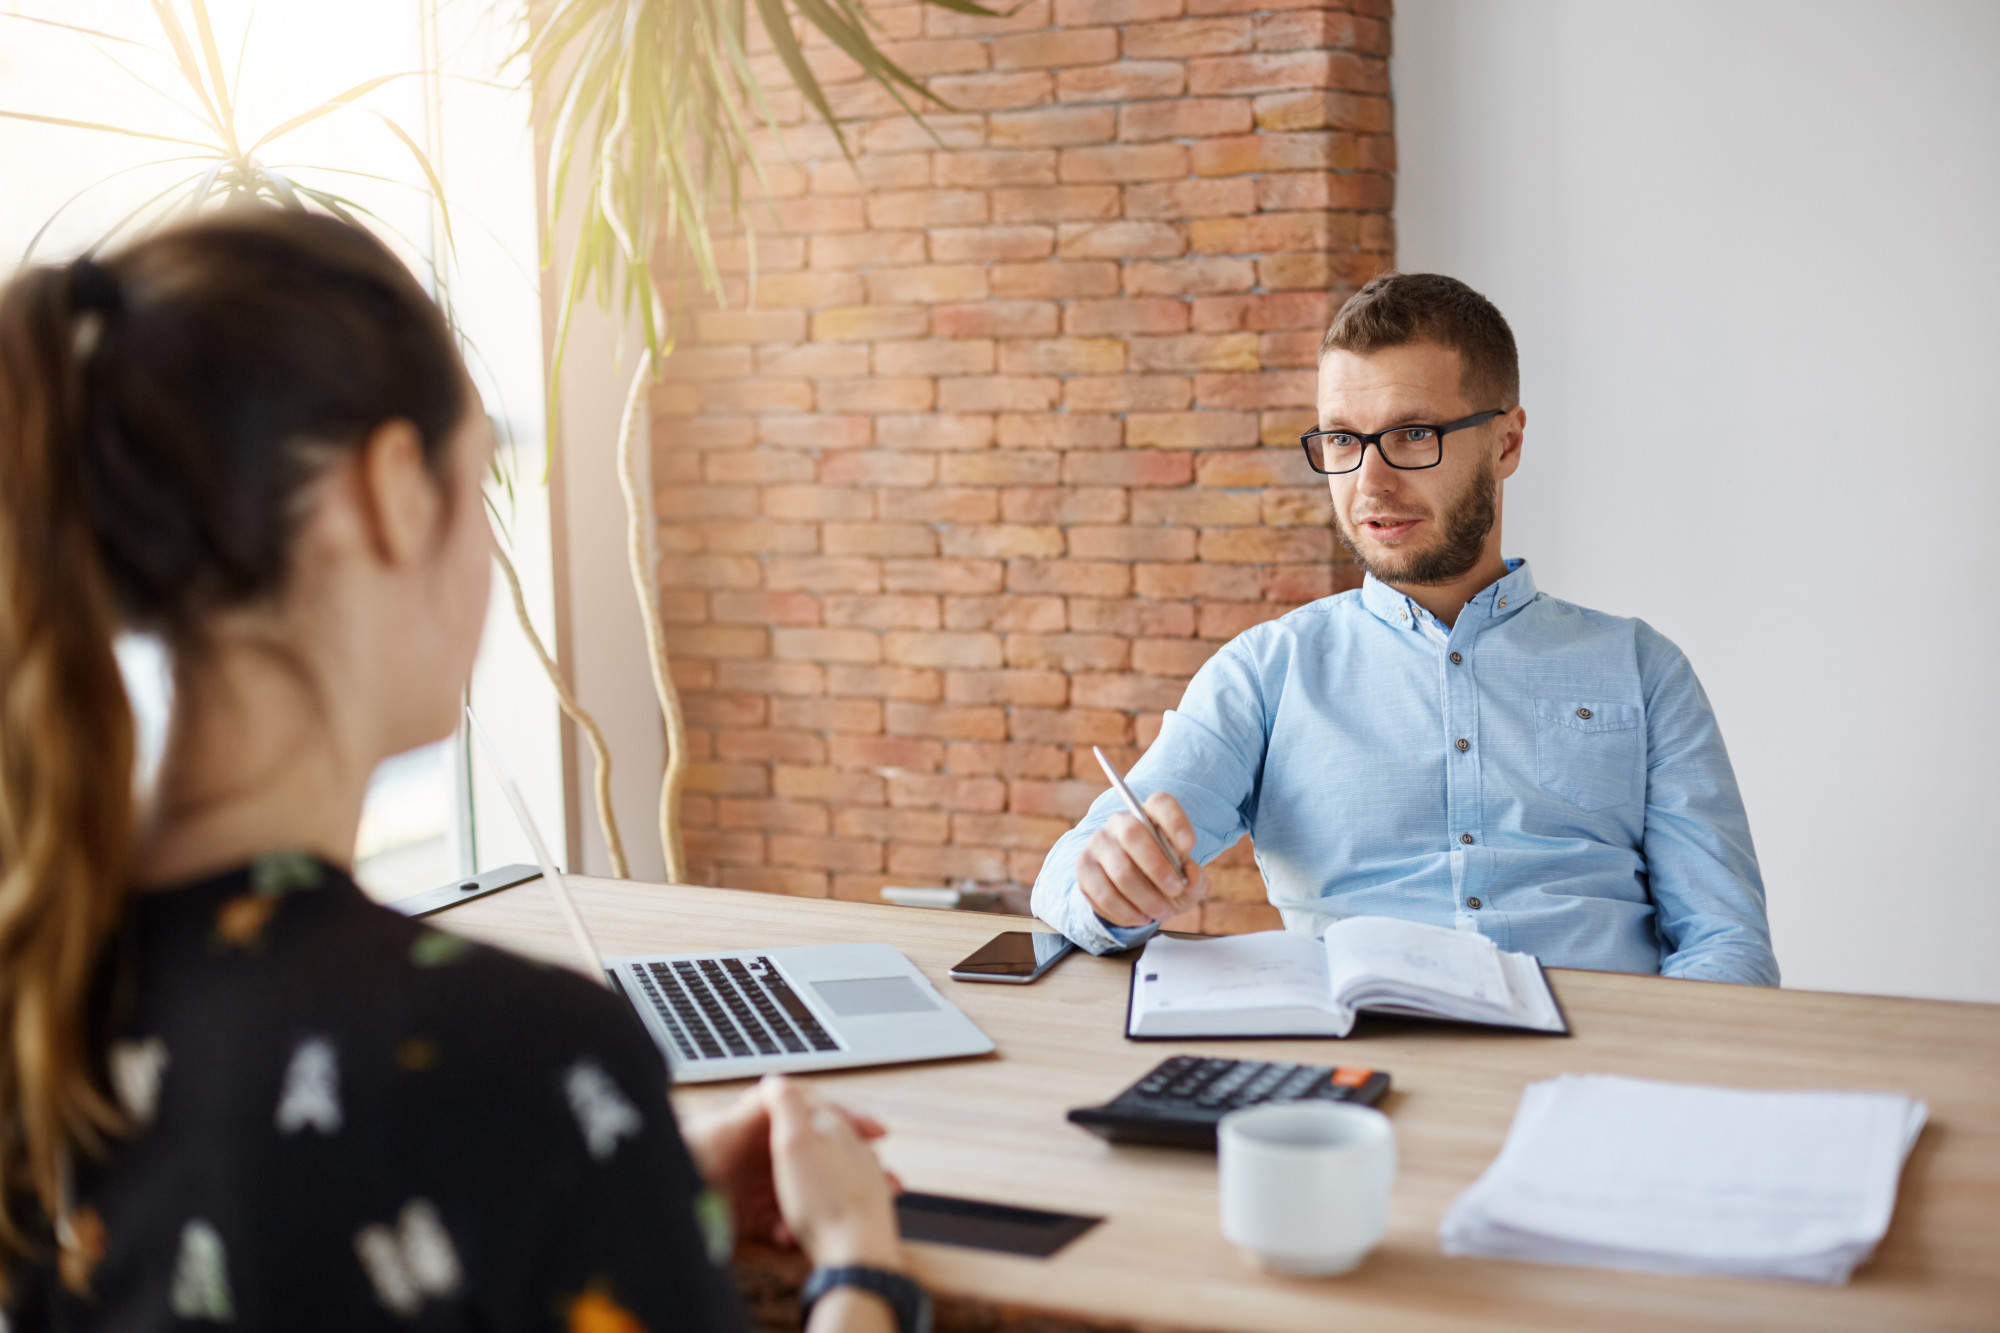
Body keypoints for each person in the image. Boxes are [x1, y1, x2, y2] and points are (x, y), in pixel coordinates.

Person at [0, 211, 917, 1331]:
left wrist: (608, 1174)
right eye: (478, 478)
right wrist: (857, 1269)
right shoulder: (515, 1052)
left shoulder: (42, 990)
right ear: (389, 489)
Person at [1033, 273, 1778, 987]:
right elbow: (1070, 872)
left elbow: (1725, 939)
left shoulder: (1642, 669)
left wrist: (1656, 1075)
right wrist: (1110, 884)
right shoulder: (1268, 672)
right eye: (1341, 441)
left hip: (1594, 1067)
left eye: (1414, 434)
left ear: (1507, 443)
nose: (1370, 483)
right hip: (1368, 1074)